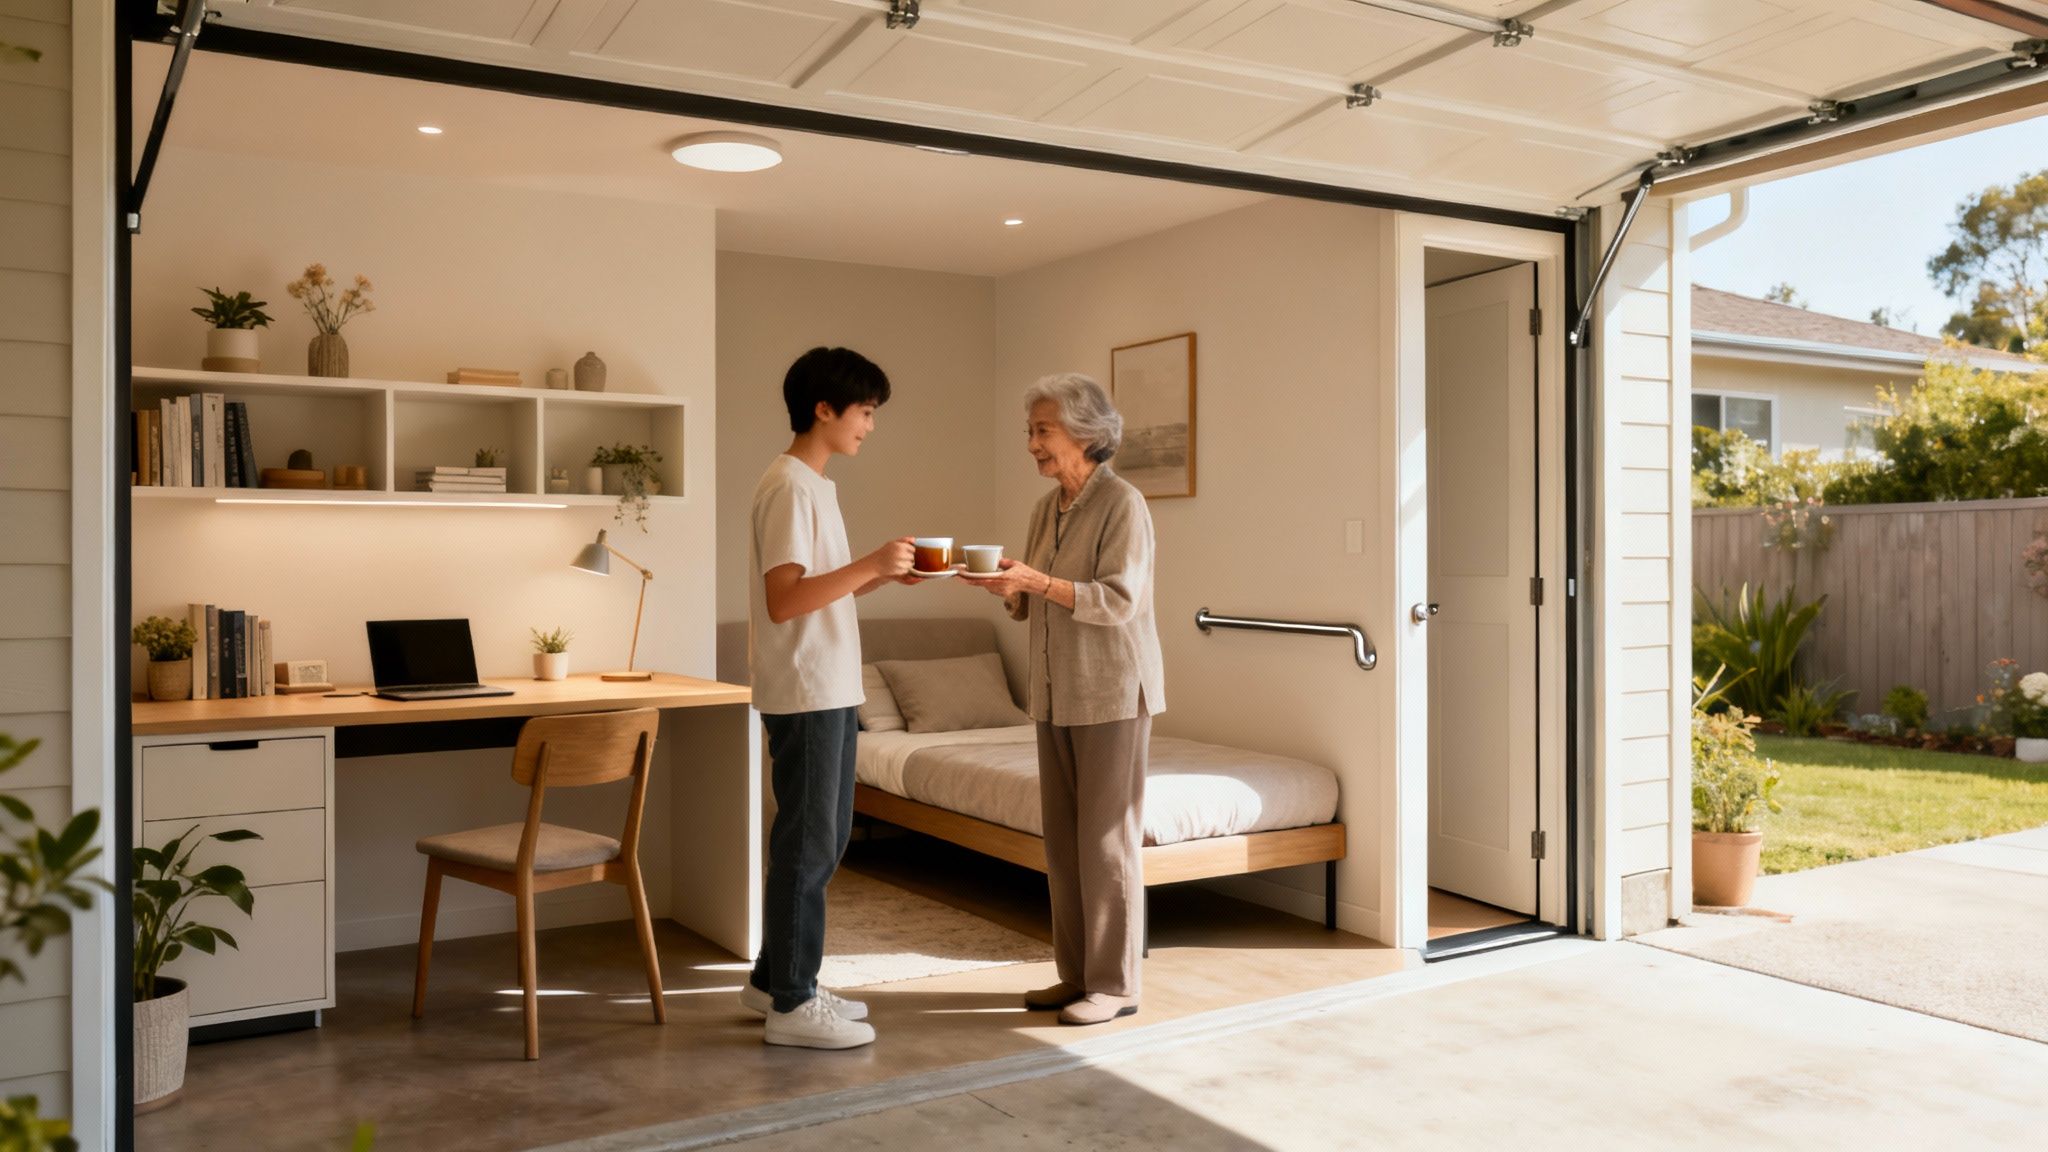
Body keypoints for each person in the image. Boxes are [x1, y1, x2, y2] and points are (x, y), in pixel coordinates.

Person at [971, 372, 1165, 1026]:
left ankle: (1115, 985)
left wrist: (1038, 581)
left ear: (1084, 432)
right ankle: (1077, 975)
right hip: (1053, 695)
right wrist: (1008, 589)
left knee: (1106, 842)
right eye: (1030, 431)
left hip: (1111, 691)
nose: (1031, 443)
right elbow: (1036, 602)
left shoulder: (1123, 504)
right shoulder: (1046, 507)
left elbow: (1118, 600)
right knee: (1063, 841)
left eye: (1042, 430)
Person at [743, 346, 918, 1049]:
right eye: (866, 412)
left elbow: (818, 591)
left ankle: (774, 980)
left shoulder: (816, 486)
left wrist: (878, 577)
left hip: (829, 685)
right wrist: (869, 564)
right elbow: (784, 602)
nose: (870, 426)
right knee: (810, 848)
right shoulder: (788, 486)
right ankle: (791, 1003)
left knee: (820, 840)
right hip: (808, 688)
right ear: (825, 407)